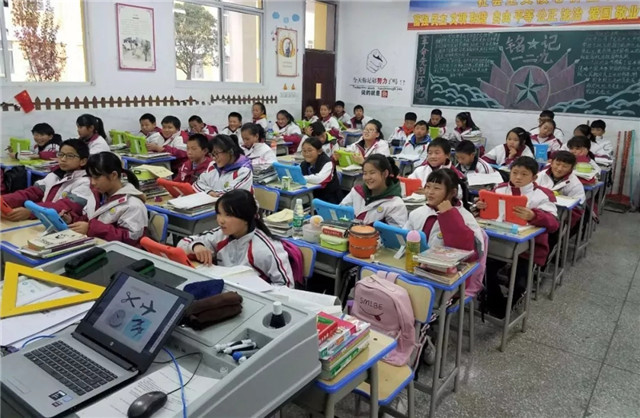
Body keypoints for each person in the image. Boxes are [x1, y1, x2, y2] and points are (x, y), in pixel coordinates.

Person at [477, 156, 559, 318]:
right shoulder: (500, 189)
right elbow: (486, 213)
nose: (518, 178)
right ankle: (495, 302)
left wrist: (534, 215)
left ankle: (509, 303)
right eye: (514, 173)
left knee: (520, 281)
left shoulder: (542, 195)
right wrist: (480, 206)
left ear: (534, 177)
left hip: (528, 248)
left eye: (524, 174)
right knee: (484, 269)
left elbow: (554, 223)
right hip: (498, 242)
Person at [178, 189, 295, 288]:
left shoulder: (264, 248)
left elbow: (287, 285)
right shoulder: (221, 234)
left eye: (228, 215)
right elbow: (183, 243)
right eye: (219, 213)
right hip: (225, 290)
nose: (220, 220)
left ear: (246, 217)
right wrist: (196, 246)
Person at [404, 169, 484, 294]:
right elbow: (403, 238)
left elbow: (471, 254)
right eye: (428, 186)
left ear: (453, 192)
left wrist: (449, 216)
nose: (430, 192)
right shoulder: (418, 212)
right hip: (415, 271)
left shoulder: (465, 217)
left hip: (445, 280)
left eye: (436, 188)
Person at [2, 139, 97, 222]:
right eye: (61, 154)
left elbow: (64, 206)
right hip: (42, 219)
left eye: (70, 156)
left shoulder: (86, 182)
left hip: (60, 224)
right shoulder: (54, 175)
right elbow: (32, 193)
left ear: (83, 161)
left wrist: (32, 212)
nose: (63, 159)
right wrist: (4, 200)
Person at [65, 152, 147, 247]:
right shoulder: (98, 196)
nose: (93, 182)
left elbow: (130, 239)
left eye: (96, 177)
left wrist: (91, 229)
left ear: (113, 175)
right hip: (94, 245)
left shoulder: (133, 205)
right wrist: (72, 220)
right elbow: (89, 219)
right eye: (90, 177)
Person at [340, 155, 407, 227]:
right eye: (365, 173)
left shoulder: (395, 204)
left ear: (385, 174)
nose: (367, 177)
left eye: (372, 173)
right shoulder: (357, 192)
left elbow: (394, 232)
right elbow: (340, 212)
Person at [536, 150, 585, 230]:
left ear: (571, 168)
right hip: (539, 209)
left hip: (560, 216)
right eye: (557, 164)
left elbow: (578, 207)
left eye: (565, 166)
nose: (559, 169)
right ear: (551, 163)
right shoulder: (541, 175)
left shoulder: (575, 184)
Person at [300, 137, 342, 204]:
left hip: (330, 199)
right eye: (304, 151)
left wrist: (301, 178)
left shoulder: (328, 163)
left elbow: (319, 179)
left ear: (319, 151)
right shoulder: (304, 164)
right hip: (313, 196)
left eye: (310, 150)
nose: (306, 153)